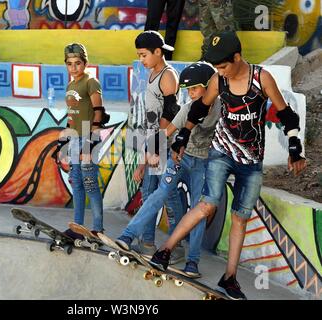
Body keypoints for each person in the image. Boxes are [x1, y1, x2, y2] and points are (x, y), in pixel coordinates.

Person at [149, 31, 307, 300]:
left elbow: (286, 115)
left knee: (240, 218)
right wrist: (183, 136)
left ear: (237, 57)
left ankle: (230, 277)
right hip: (221, 152)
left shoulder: (261, 78)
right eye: (216, 67)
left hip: (251, 160)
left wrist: (295, 147)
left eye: (223, 65)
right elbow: (200, 108)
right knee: (207, 204)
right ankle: (164, 251)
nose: (220, 71)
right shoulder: (218, 80)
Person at [117, 62, 220, 278]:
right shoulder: (188, 108)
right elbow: (166, 132)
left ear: (209, 86)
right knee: (160, 193)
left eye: (194, 89)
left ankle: (192, 262)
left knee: (198, 209)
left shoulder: (222, 109)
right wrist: (148, 156)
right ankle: (127, 236)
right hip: (179, 158)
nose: (190, 95)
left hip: (204, 164)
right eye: (188, 90)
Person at [127, 30, 182, 257]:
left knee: (167, 195)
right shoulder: (153, 73)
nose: (141, 60)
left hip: (162, 145)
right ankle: (147, 242)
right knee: (150, 192)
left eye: (143, 55)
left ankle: (177, 245)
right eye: (138, 55)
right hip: (153, 142)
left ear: (158, 52)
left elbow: (171, 111)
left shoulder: (167, 76)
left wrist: (155, 148)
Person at [52, 43, 109, 239]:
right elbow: (71, 117)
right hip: (75, 138)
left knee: (89, 183)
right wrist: (63, 144)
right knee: (76, 183)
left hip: (88, 138)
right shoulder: (70, 85)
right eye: (69, 64)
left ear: (85, 63)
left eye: (77, 63)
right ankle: (77, 227)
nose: (73, 67)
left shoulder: (91, 82)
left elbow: (99, 112)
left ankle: (98, 228)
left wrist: (91, 142)